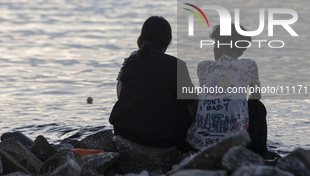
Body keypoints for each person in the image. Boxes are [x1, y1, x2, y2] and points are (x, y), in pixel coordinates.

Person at [109, 16, 197, 151]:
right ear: (168, 41)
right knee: (188, 100)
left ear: (141, 37)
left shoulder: (130, 62)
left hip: (124, 132)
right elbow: (192, 102)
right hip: (161, 139)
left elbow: (121, 94)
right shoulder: (176, 65)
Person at [186, 24, 268, 157]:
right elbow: (256, 95)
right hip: (234, 142)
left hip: (198, 143)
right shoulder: (249, 65)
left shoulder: (203, 67)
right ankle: (260, 154)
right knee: (258, 107)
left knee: (197, 100)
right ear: (241, 50)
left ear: (219, 45)